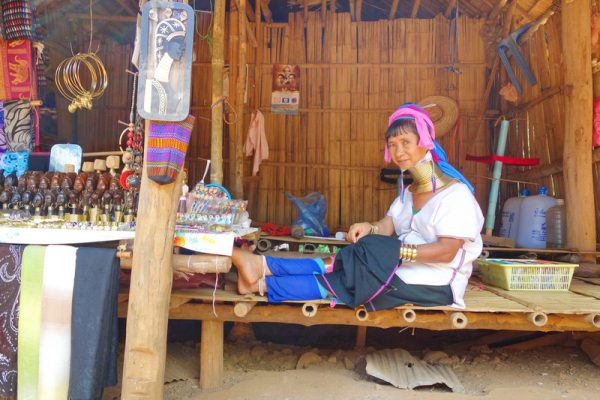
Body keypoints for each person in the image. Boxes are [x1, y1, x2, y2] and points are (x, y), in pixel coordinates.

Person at [233, 103, 483, 310]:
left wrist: (393, 252)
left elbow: (447, 251)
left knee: (350, 278)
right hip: (401, 268)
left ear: (426, 142)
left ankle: (260, 279)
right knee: (346, 262)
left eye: (406, 142)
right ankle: (261, 269)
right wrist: (370, 228)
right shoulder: (409, 193)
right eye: (392, 144)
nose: (398, 151)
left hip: (436, 283)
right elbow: (388, 225)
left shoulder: (455, 196)